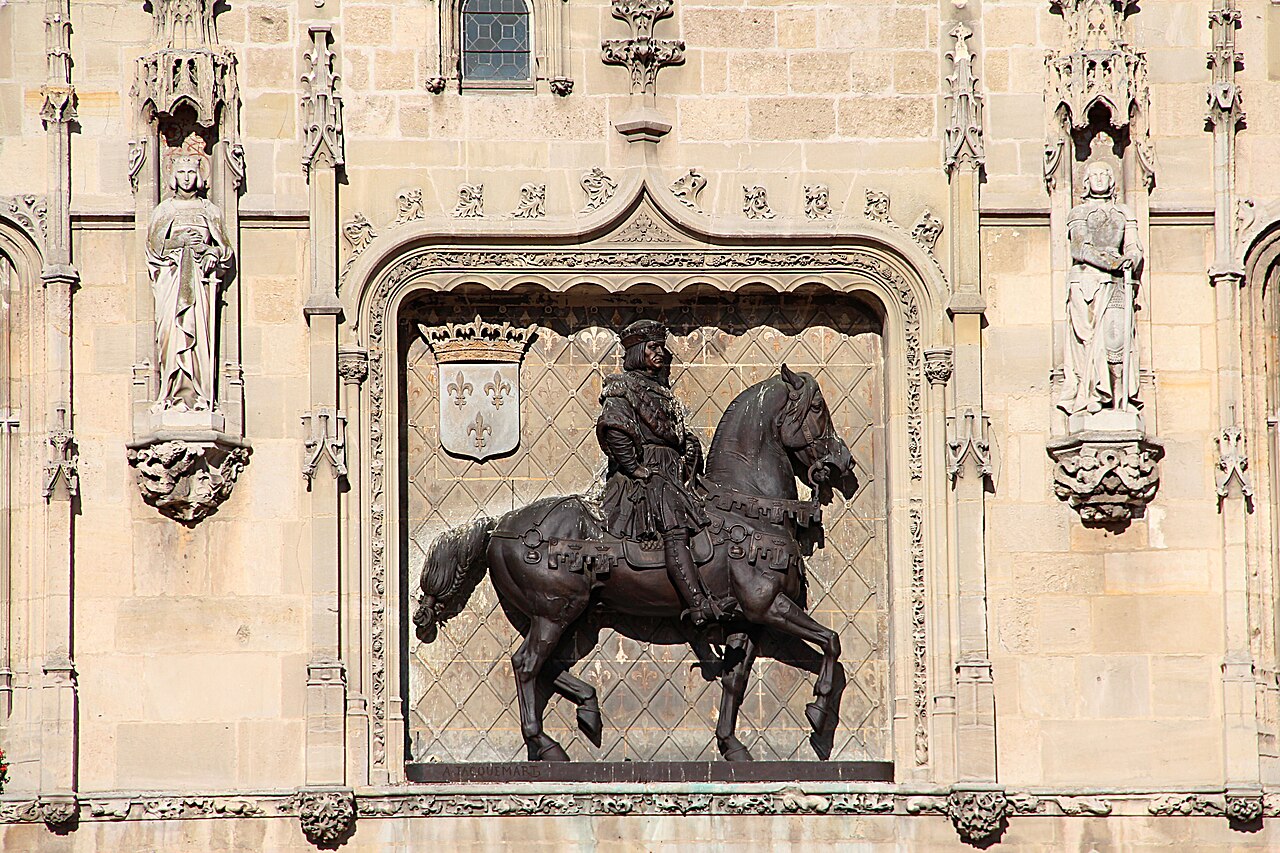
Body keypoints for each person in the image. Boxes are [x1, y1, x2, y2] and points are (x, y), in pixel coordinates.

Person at [595, 320, 738, 627]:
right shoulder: (623, 389)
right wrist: (635, 467)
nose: (661, 353)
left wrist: (688, 446)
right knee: (676, 529)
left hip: (673, 471)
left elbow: (676, 434)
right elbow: (614, 428)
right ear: (636, 352)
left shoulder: (660, 390)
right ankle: (697, 604)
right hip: (648, 476)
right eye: (653, 348)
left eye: (662, 347)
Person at [146, 152, 234, 413]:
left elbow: (225, 250)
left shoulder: (209, 210)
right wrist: (179, 242)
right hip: (172, 282)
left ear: (199, 176)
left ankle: (199, 395)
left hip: (199, 283)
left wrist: (211, 253)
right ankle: (172, 394)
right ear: (174, 176)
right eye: (182, 173)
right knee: (170, 336)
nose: (186, 178)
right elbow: (153, 248)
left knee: (199, 338)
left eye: (191, 173)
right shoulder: (165, 210)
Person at [1058, 161, 1143, 418]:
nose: (1099, 178)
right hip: (1087, 284)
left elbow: (1134, 247)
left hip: (1116, 283)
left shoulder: (1124, 213)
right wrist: (1114, 262)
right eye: (1093, 174)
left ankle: (1118, 401)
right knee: (1089, 342)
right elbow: (1080, 249)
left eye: (1104, 174)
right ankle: (1091, 395)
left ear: (1112, 180)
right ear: (1086, 181)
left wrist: (1131, 259)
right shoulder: (1079, 213)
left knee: (1116, 342)